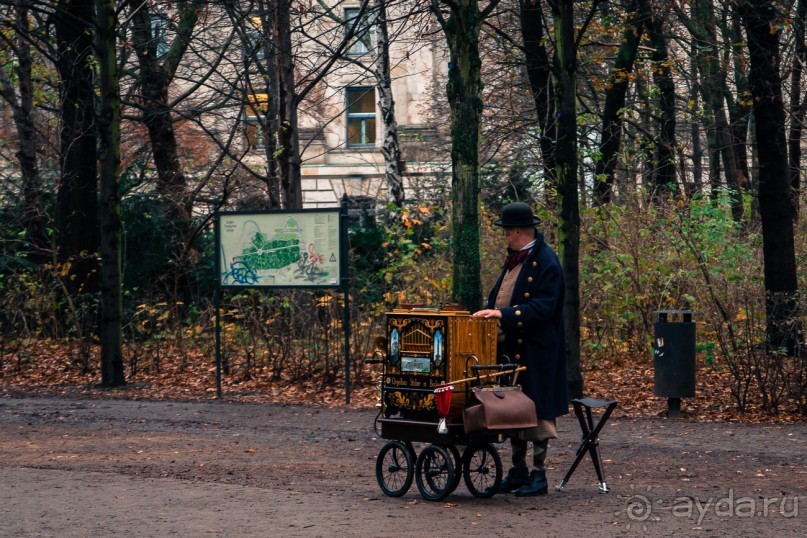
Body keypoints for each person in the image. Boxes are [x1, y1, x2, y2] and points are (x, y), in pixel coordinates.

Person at [473, 202, 568, 497]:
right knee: (513, 409)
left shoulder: (547, 261)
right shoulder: (516, 259)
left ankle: (538, 476)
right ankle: (518, 471)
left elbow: (543, 307)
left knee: (537, 412)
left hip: (537, 351)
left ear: (516, 231)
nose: (504, 237)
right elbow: (501, 296)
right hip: (512, 349)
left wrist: (502, 315)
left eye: (505, 232)